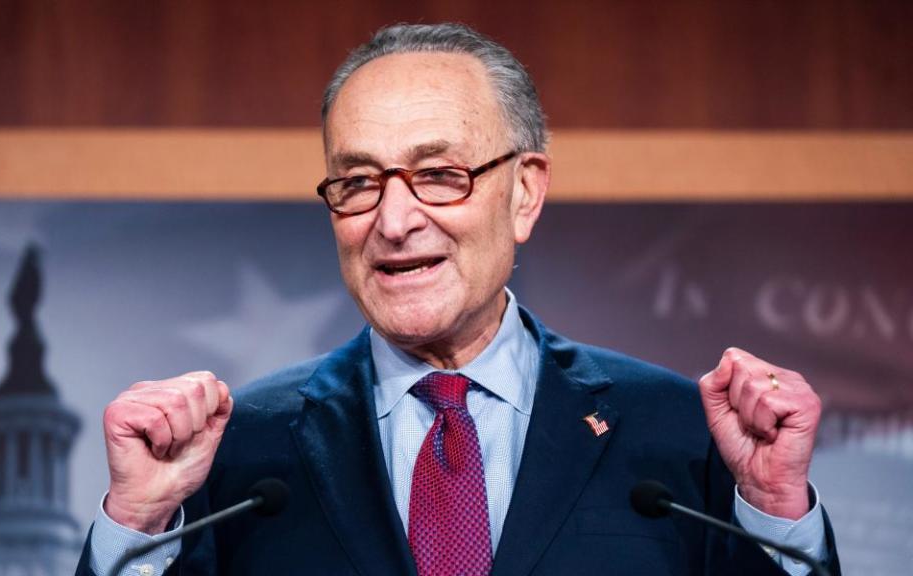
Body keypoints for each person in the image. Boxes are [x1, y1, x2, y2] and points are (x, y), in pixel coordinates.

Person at [77, 23, 840, 576]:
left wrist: (775, 512)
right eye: (357, 183)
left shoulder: (678, 437)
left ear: (524, 195)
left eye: (439, 174)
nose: (394, 220)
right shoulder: (235, 452)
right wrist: (136, 527)